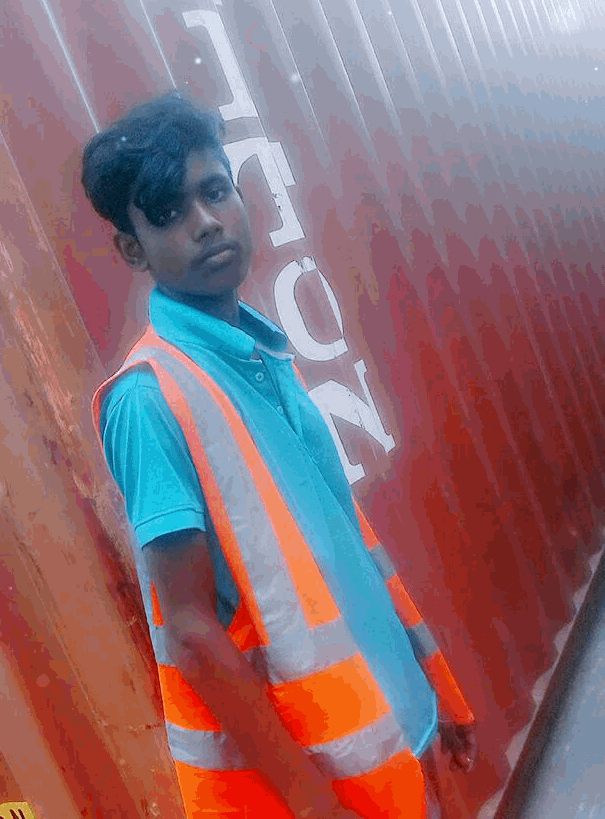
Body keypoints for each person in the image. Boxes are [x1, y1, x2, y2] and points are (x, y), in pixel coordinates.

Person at [83, 92, 476, 819]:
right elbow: (191, 631)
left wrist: (430, 694)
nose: (206, 221)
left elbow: (344, 548)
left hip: (395, 731)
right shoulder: (148, 397)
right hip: (330, 779)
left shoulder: (262, 355)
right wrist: (314, 806)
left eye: (215, 191)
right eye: (168, 212)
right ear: (132, 249)